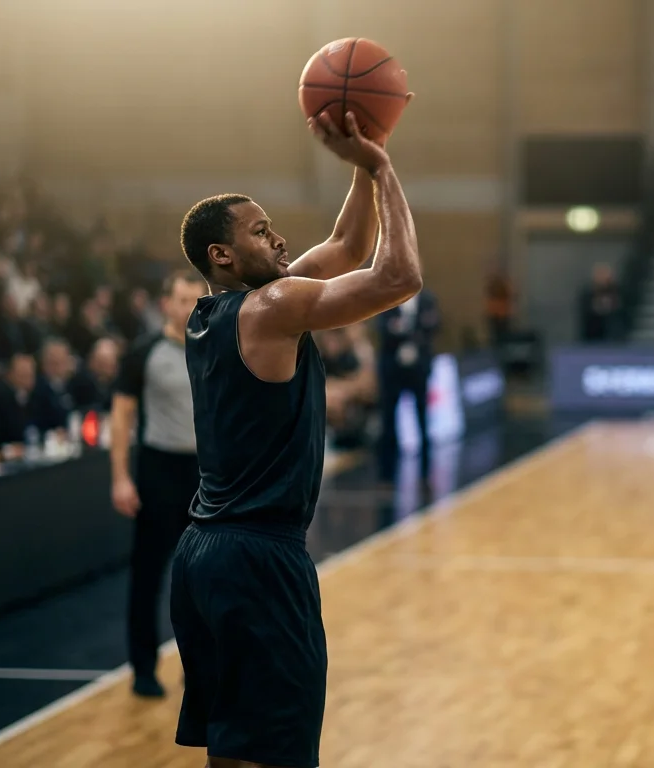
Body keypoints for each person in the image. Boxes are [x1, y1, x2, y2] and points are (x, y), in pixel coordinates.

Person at [170, 106, 419, 768]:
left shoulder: (216, 313)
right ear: (222, 255)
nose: (278, 240)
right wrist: (383, 168)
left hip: (202, 555)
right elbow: (398, 276)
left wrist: (366, 158)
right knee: (279, 751)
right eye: (260, 232)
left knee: (232, 747)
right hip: (259, 558)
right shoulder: (272, 308)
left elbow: (346, 245)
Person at [109, 270, 206, 698]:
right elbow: (121, 416)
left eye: (194, 299)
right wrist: (120, 477)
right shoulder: (143, 352)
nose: (188, 307)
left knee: (203, 576)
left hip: (206, 474)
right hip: (158, 468)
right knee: (148, 574)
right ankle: (143, 668)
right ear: (165, 304)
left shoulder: (214, 346)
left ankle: (200, 668)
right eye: (180, 299)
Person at [375, 286, 439, 490]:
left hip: (418, 371)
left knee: (423, 423)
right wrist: (401, 330)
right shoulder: (387, 298)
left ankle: (425, 476)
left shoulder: (427, 299)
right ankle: (387, 478)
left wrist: (408, 330)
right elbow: (381, 327)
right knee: (389, 424)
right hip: (393, 371)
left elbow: (435, 324)